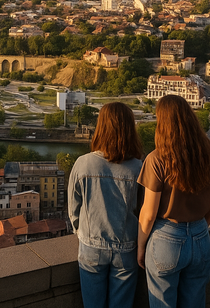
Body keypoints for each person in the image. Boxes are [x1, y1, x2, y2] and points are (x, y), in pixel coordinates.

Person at [137, 95, 210, 308]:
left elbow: (149, 213)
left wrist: (140, 246)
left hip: (166, 238)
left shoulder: (156, 159)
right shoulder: (209, 154)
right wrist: (197, 229)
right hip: (200, 236)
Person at [69, 101, 144, 308]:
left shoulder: (83, 163)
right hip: (127, 246)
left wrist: (81, 232)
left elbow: (73, 209)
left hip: (91, 245)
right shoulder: (139, 167)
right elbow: (144, 211)